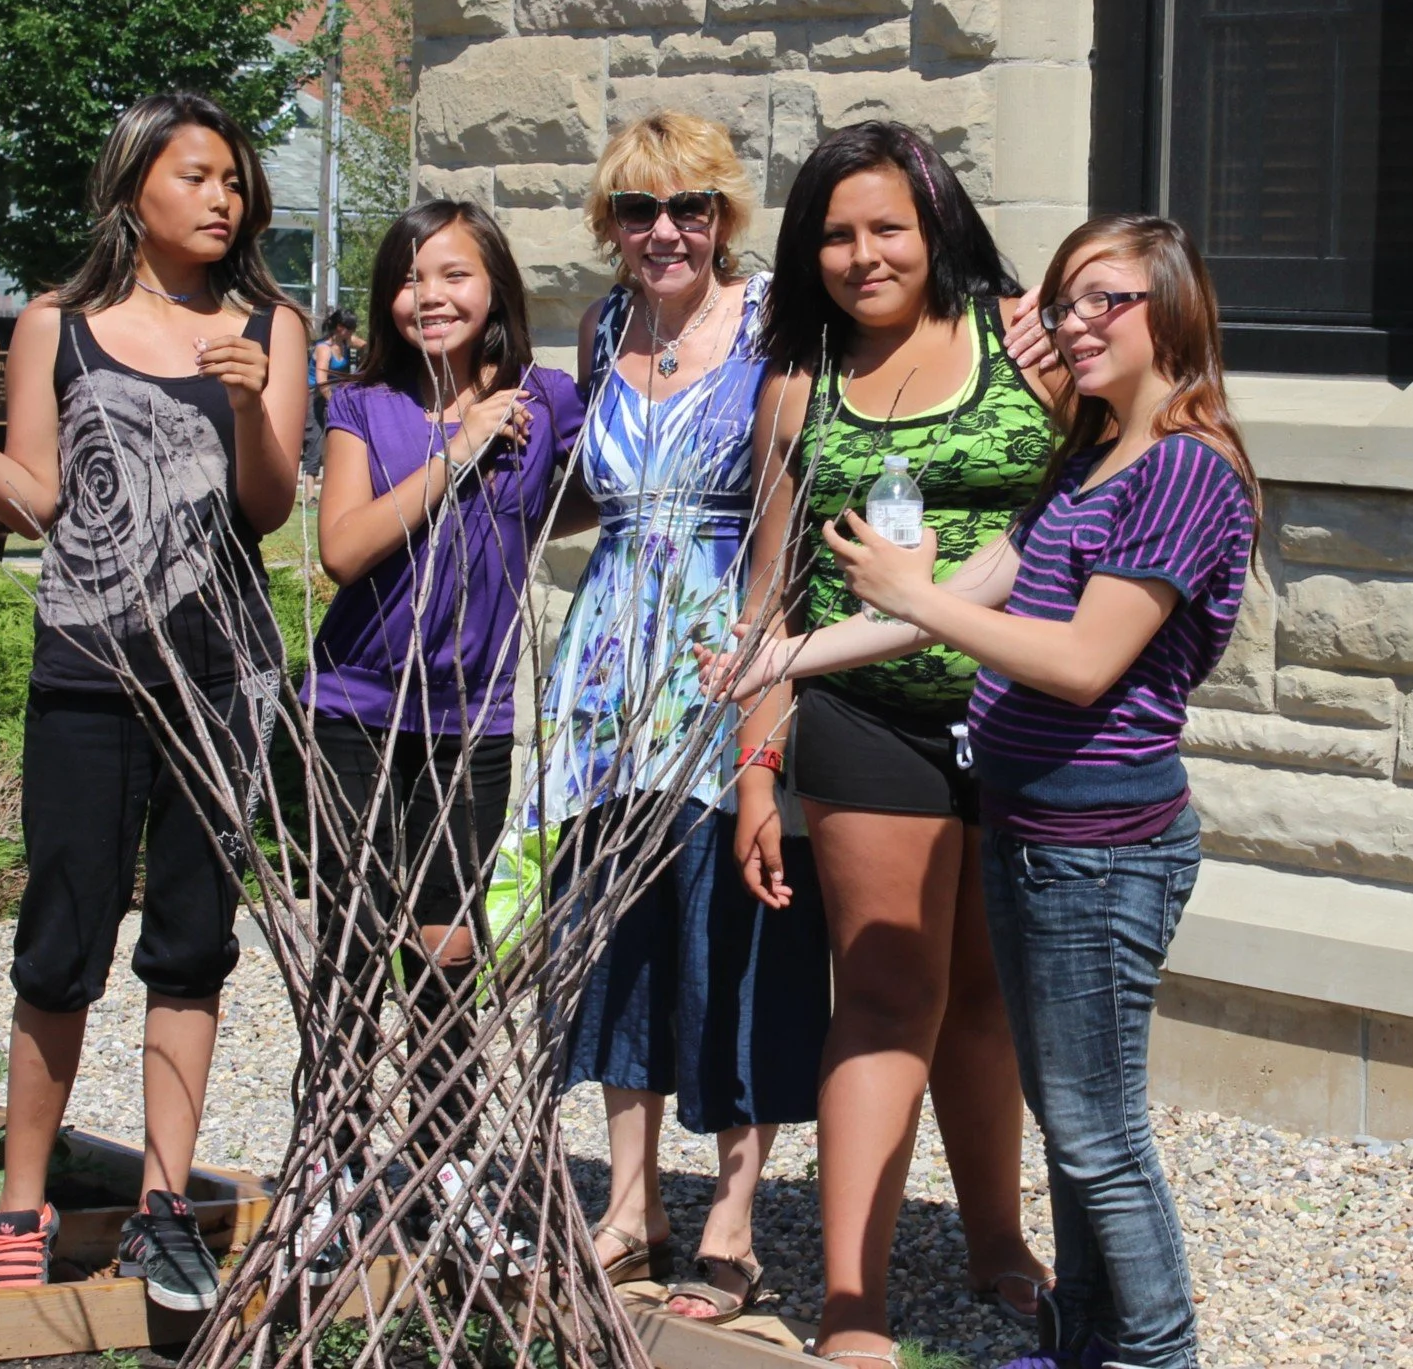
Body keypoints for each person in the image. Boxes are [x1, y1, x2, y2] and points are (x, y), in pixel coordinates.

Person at [706, 214, 1257, 1369]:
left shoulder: (1186, 468)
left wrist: (911, 587)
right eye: (1064, 303)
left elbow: (1078, 659)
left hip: (1103, 847)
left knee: (1099, 1132)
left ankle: (1155, 1354)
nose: (1076, 323)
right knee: (1074, 1126)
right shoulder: (1095, 455)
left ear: (1175, 307)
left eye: (1108, 299)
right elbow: (970, 587)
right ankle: (1090, 1339)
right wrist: (772, 662)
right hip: (1036, 826)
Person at [0, 93, 308, 1310]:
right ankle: (23, 1200)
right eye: (196, 175)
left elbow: (271, 507)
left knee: (191, 947)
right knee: (59, 941)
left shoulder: (267, 325)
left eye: (233, 177)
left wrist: (242, 398)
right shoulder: (55, 325)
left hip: (223, 681)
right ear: (134, 192)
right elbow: (39, 503)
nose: (222, 197)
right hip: (86, 673)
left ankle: (165, 1205)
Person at [736, 121, 1057, 1362]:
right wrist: (760, 761)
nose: (862, 254)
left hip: (1021, 713)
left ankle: (997, 1241)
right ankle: (852, 1304)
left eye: (886, 227)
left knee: (985, 996)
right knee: (883, 990)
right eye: (833, 232)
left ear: (935, 226)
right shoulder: (797, 387)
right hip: (864, 717)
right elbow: (764, 592)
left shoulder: (1024, 347)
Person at [538, 110, 829, 1325]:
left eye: (691, 207)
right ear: (610, 223)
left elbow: (787, 517)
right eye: (640, 209)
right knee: (617, 932)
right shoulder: (605, 325)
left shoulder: (773, 326)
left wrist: (765, 675)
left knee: (732, 926)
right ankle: (629, 1201)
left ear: (726, 216)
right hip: (604, 682)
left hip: (722, 668)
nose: (666, 231)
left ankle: (732, 1213)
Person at [298, 198, 584, 1278]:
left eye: (455, 274)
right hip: (357, 714)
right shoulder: (363, 406)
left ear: (496, 289)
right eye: (411, 278)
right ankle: (331, 1167)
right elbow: (344, 548)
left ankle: (446, 1170)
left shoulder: (547, 402)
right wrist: (459, 448)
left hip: (476, 723)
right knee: (347, 949)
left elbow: (602, 489)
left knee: (447, 956)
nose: (432, 296)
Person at [302, 307, 357, 504]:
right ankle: (310, 496)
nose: (353, 333)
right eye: (350, 328)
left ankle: (335, 492)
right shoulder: (323, 348)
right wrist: (336, 404)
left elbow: (365, 344)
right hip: (315, 398)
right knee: (315, 443)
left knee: (336, 444)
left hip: (335, 398)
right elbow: (321, 381)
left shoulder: (345, 343)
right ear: (340, 328)